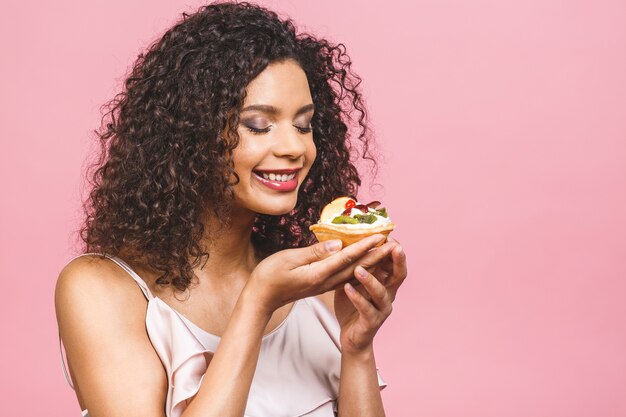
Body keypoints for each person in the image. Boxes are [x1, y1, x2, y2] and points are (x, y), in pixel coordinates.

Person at [55, 2, 408, 416]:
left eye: (304, 124)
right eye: (258, 125)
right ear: (188, 134)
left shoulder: (318, 295)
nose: (294, 147)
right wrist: (256, 302)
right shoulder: (102, 292)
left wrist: (357, 347)